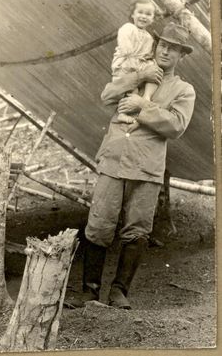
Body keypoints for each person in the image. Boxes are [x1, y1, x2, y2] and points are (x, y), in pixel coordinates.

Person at [82, 22, 196, 309]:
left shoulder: (183, 89)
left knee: (137, 229)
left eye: (174, 49)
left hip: (146, 167)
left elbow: (176, 126)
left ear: (182, 55)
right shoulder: (135, 71)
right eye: (164, 45)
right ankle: (89, 292)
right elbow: (107, 96)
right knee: (99, 224)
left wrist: (141, 107)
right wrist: (138, 77)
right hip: (114, 159)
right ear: (156, 45)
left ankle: (119, 292)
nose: (167, 51)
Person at [111, 0, 160, 124]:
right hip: (126, 62)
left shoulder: (149, 37)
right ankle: (122, 113)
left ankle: (146, 97)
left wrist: (147, 60)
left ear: (152, 18)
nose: (143, 16)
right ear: (133, 14)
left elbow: (147, 53)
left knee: (155, 73)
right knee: (130, 87)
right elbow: (126, 48)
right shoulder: (127, 28)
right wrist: (136, 59)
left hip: (139, 63)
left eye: (148, 14)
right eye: (140, 12)